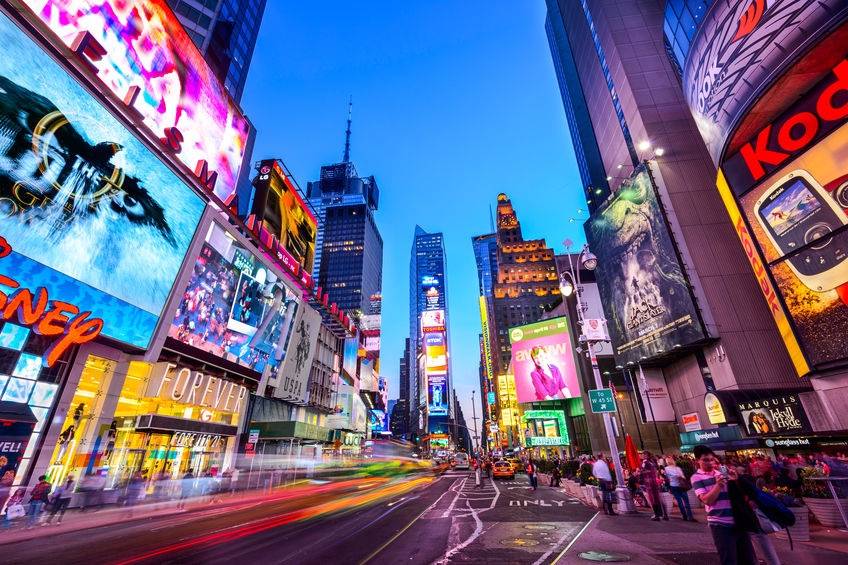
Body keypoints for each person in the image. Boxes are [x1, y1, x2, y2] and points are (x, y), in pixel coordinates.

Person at [691, 445, 757, 565]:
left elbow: (743, 495)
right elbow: (707, 500)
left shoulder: (722, 473)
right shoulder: (696, 478)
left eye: (711, 459)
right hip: (720, 523)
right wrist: (718, 486)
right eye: (705, 460)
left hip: (738, 520)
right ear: (697, 461)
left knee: (748, 559)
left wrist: (737, 480)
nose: (710, 463)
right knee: (729, 559)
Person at [639, 452, 668, 521]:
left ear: (646, 456)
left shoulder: (645, 462)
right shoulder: (652, 462)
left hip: (649, 482)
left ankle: (657, 515)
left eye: (643, 455)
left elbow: (645, 471)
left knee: (652, 499)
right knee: (658, 498)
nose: (641, 456)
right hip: (655, 481)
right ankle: (664, 514)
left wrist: (641, 472)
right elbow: (655, 471)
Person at [664, 457, 695, 521]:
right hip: (682, 486)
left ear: (667, 462)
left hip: (673, 486)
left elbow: (666, 478)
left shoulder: (666, 469)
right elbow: (683, 477)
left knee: (679, 501)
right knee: (686, 501)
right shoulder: (677, 468)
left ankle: (684, 516)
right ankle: (690, 516)